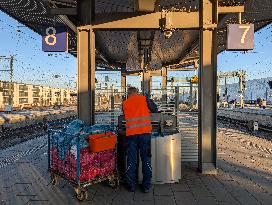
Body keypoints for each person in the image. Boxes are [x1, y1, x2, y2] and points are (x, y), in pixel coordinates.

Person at [122, 87, 157, 193]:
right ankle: (146, 186)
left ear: (128, 94)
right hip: (145, 134)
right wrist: (148, 98)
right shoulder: (144, 99)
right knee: (146, 159)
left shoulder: (125, 103)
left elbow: (125, 115)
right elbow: (155, 109)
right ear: (137, 93)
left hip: (131, 135)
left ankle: (131, 185)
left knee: (131, 160)